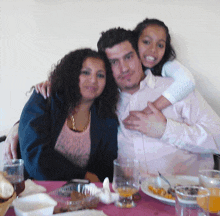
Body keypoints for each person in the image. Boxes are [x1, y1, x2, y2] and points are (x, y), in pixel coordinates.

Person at [97, 27, 220, 178]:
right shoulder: (105, 103)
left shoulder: (176, 88)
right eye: (114, 62)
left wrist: (165, 130)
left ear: (140, 55)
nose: (124, 69)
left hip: (189, 193)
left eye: (128, 57)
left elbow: (218, 138)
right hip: (134, 195)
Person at [13, 49, 119, 181]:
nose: (93, 80)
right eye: (85, 72)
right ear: (72, 74)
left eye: (100, 75)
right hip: (33, 191)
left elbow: (105, 171)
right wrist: (83, 176)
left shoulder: (107, 119)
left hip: (81, 195)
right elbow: (36, 158)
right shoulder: (45, 98)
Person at [133, 18, 195, 115]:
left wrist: (149, 110)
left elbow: (188, 81)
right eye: (146, 42)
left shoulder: (166, 65)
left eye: (160, 45)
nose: (153, 49)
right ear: (135, 41)